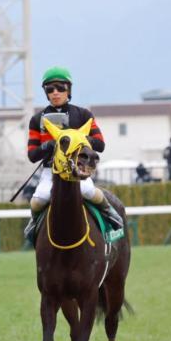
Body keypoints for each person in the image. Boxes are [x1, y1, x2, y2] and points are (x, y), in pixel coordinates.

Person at [25, 66, 122, 239]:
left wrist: (76, 139)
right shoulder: (36, 120)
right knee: (39, 198)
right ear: (46, 92)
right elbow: (32, 155)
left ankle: (111, 213)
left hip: (77, 171)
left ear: (68, 90)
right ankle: (34, 223)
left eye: (60, 88)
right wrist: (50, 145)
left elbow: (100, 144)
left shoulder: (84, 115)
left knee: (88, 190)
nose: (55, 92)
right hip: (51, 171)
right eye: (50, 89)